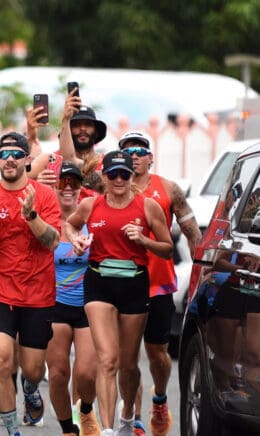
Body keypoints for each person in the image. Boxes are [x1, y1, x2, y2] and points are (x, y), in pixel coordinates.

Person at [64, 150, 173, 436]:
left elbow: (168, 247)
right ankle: (109, 430)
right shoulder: (91, 205)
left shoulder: (148, 207)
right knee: (107, 360)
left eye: (125, 173)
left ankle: (127, 415)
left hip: (134, 283)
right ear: (104, 176)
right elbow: (70, 224)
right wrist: (78, 242)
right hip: (99, 282)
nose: (120, 179)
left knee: (128, 363)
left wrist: (144, 239)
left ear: (131, 175)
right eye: (114, 174)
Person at [0, 132, 61, 436]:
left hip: (38, 294)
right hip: (0, 292)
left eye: (16, 154)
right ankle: (12, 431)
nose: (9, 159)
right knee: (2, 359)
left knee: (32, 369)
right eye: (3, 154)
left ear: (26, 159)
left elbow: (53, 242)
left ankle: (30, 389)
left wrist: (30, 214)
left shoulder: (43, 195)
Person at [117, 131, 202, 436]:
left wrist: (200, 275)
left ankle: (160, 399)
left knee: (157, 354)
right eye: (128, 150)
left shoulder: (169, 189)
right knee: (127, 359)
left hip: (158, 283)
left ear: (151, 157)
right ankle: (134, 416)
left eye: (141, 150)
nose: (135, 155)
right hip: (122, 283)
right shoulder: (111, 187)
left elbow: (193, 233)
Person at [45, 162, 100, 436]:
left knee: (87, 374)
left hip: (89, 306)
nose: (67, 188)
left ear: (81, 187)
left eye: (73, 183)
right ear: (53, 186)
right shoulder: (45, 221)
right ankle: (68, 429)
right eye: (61, 182)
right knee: (57, 375)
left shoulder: (92, 217)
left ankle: (87, 411)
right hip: (55, 306)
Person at [29, 90, 108, 195]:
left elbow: (70, 161)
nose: (83, 128)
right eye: (76, 124)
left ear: (97, 132)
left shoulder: (107, 163)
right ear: (67, 131)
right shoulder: (50, 159)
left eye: (88, 124)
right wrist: (37, 184)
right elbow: (17, 179)